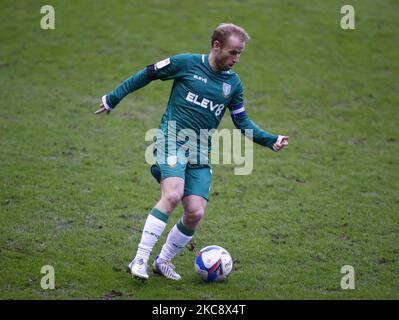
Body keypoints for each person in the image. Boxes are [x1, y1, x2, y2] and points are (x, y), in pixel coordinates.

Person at [95, 23, 289, 281]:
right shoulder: (186, 63)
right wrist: (113, 98)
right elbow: (146, 74)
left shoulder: (233, 84)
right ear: (216, 46)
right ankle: (139, 258)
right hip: (171, 139)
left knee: (195, 212)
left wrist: (270, 140)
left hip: (200, 152)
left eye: (240, 53)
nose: (236, 59)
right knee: (173, 194)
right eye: (232, 52)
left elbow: (242, 121)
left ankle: (162, 261)